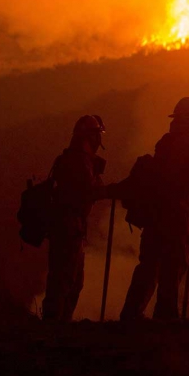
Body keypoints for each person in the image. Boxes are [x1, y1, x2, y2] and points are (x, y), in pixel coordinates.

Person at [120, 97, 189, 321]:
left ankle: (131, 313)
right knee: (174, 263)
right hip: (176, 212)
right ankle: (166, 315)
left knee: (149, 264)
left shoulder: (166, 141)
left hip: (155, 212)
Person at [42, 115, 114, 321]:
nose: (98, 141)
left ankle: (59, 322)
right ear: (90, 137)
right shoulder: (79, 161)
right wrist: (116, 191)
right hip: (69, 225)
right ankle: (54, 324)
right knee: (64, 279)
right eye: (96, 135)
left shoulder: (75, 158)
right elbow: (89, 191)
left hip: (71, 225)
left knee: (72, 280)